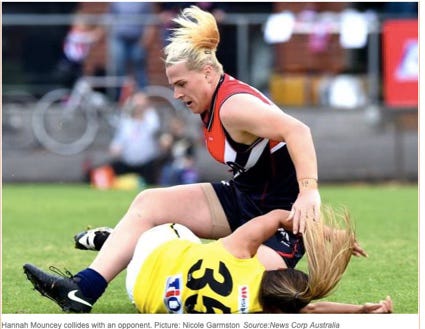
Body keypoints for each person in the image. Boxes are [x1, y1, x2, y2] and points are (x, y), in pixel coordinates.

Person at [22, 6, 323, 313]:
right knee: (149, 203)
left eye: (182, 84)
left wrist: (309, 191)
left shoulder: (234, 106)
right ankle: (82, 289)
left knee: (235, 287)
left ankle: (131, 242)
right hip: (243, 199)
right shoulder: (212, 99)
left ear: (207, 73)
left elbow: (297, 130)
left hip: (282, 221)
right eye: (173, 86)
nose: (177, 94)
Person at [25, 208, 392, 313]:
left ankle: (116, 241)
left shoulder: (241, 255)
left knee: (160, 216)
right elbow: (311, 311)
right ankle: (119, 243)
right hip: (140, 295)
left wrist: (332, 236)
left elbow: (280, 214)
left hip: (159, 247)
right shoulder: (261, 315)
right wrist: (361, 311)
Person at [85, 91, 161, 186]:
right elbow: (119, 139)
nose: (138, 106)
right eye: (136, 103)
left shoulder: (151, 117)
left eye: (141, 103)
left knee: (152, 181)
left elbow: (154, 129)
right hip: (127, 163)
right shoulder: (126, 121)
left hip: (147, 164)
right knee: (105, 171)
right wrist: (115, 147)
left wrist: (143, 114)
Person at [108, 2, 157, 92]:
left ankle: (143, 97)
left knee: (139, 67)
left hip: (138, 40)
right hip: (120, 39)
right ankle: (120, 98)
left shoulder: (144, 3)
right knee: (119, 68)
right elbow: (109, 18)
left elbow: (150, 21)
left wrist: (145, 41)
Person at [158, 116, 199, 186]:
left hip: (185, 166)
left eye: (179, 127)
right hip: (172, 166)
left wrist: (187, 163)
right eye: (174, 128)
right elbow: (164, 155)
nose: (177, 130)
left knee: (190, 175)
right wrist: (165, 146)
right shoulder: (170, 139)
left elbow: (192, 156)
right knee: (168, 171)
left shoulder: (188, 140)